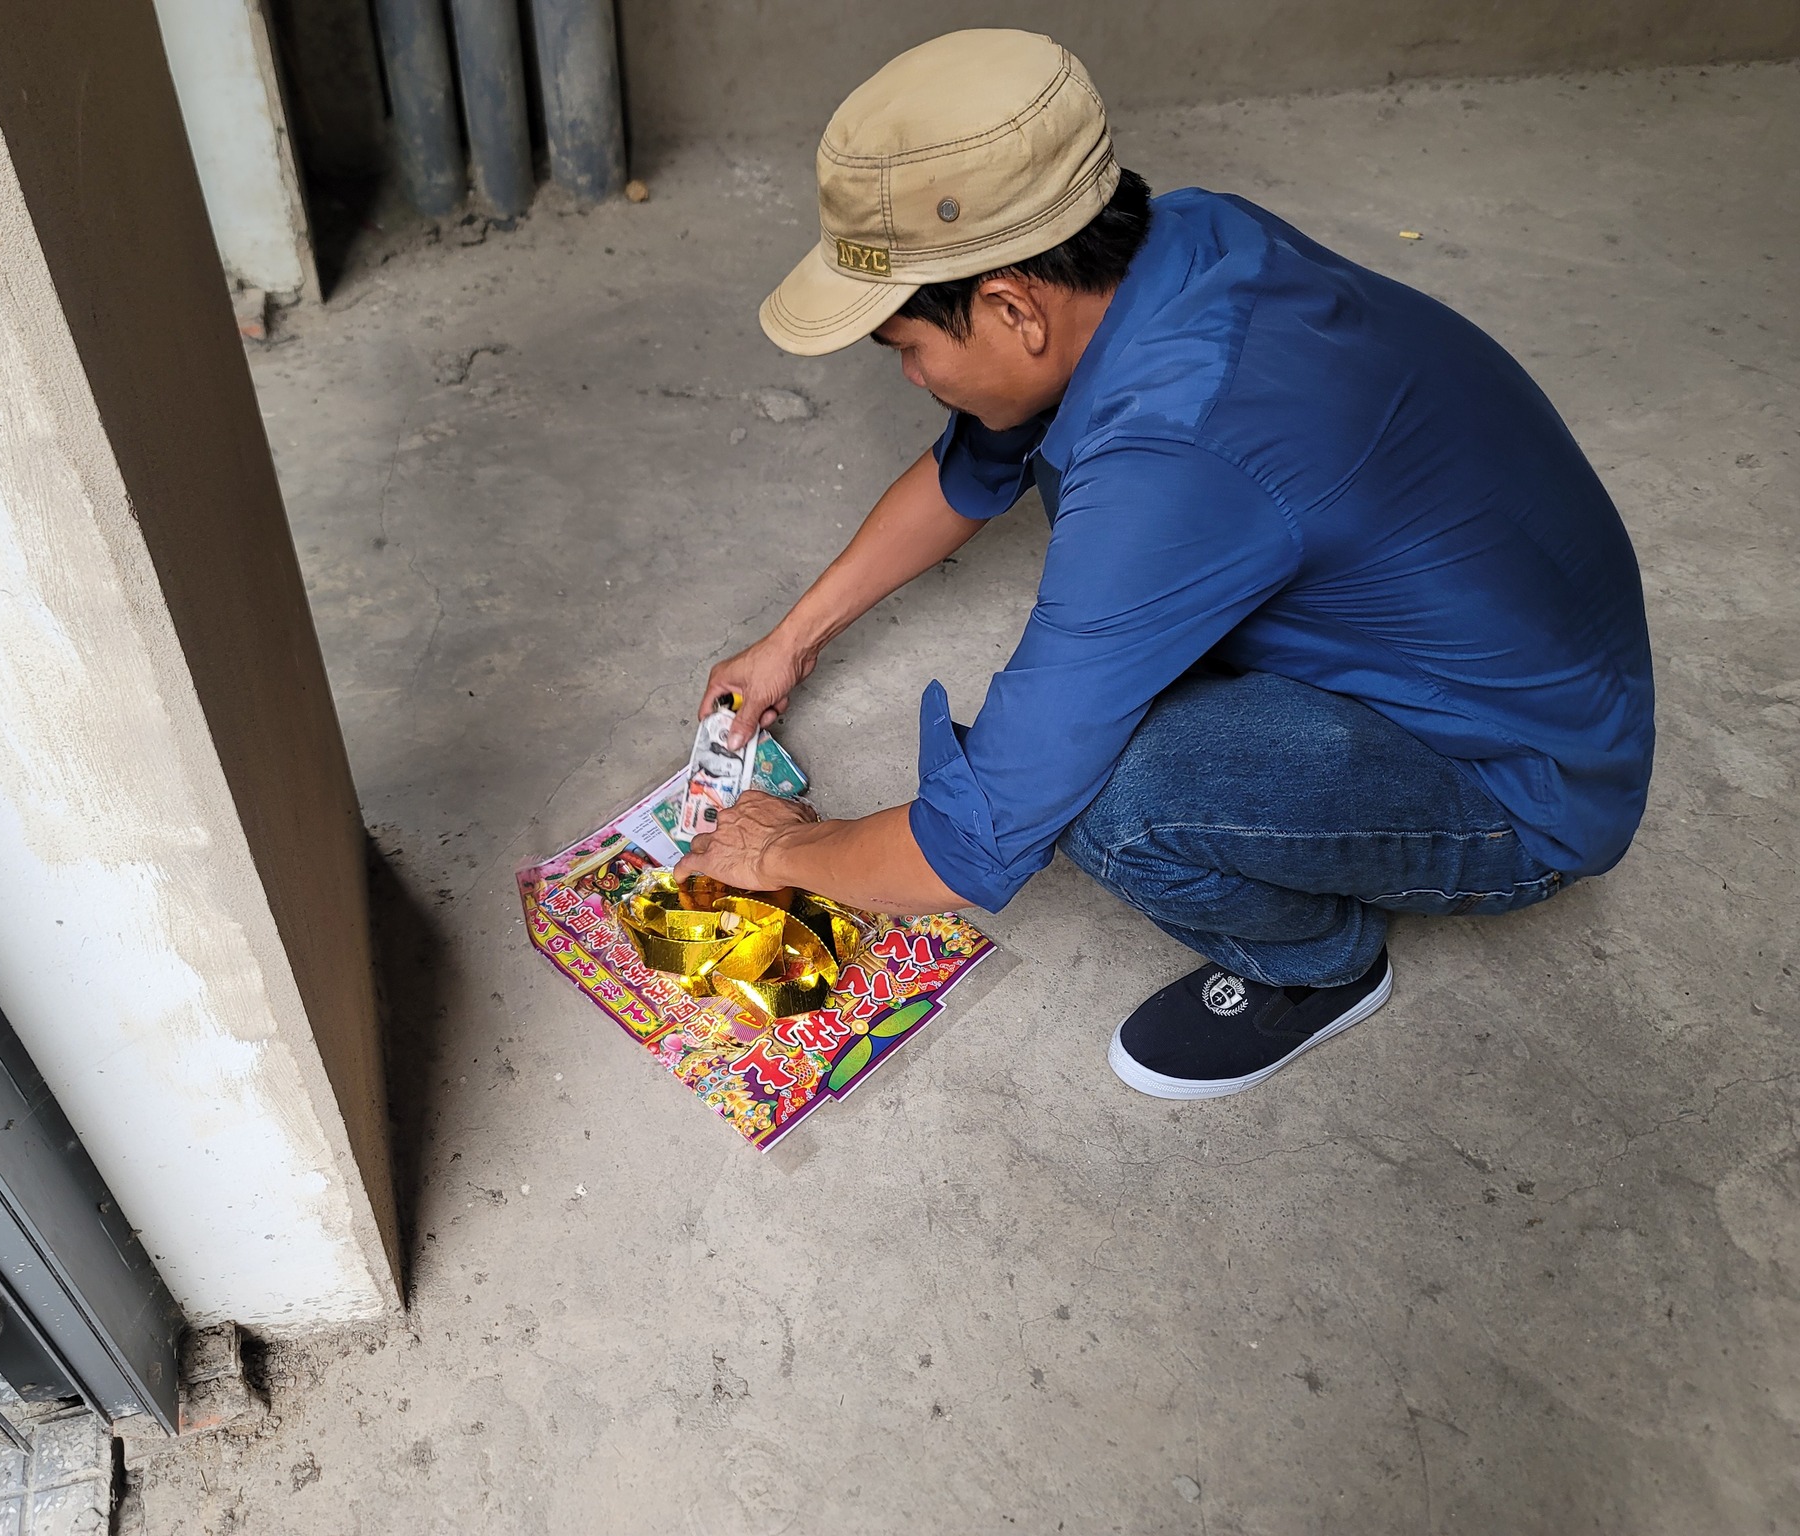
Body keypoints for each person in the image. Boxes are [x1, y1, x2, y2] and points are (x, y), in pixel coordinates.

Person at [673, 29, 1654, 1100]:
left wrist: (776, 855)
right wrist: (789, 642)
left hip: (1525, 789)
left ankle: (1317, 967)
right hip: (1516, 661)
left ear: (1012, 307)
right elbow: (978, 462)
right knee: (1100, 668)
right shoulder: (1177, 245)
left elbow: (975, 837)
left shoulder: (1174, 455)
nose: (911, 376)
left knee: (1105, 798)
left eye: (908, 346)